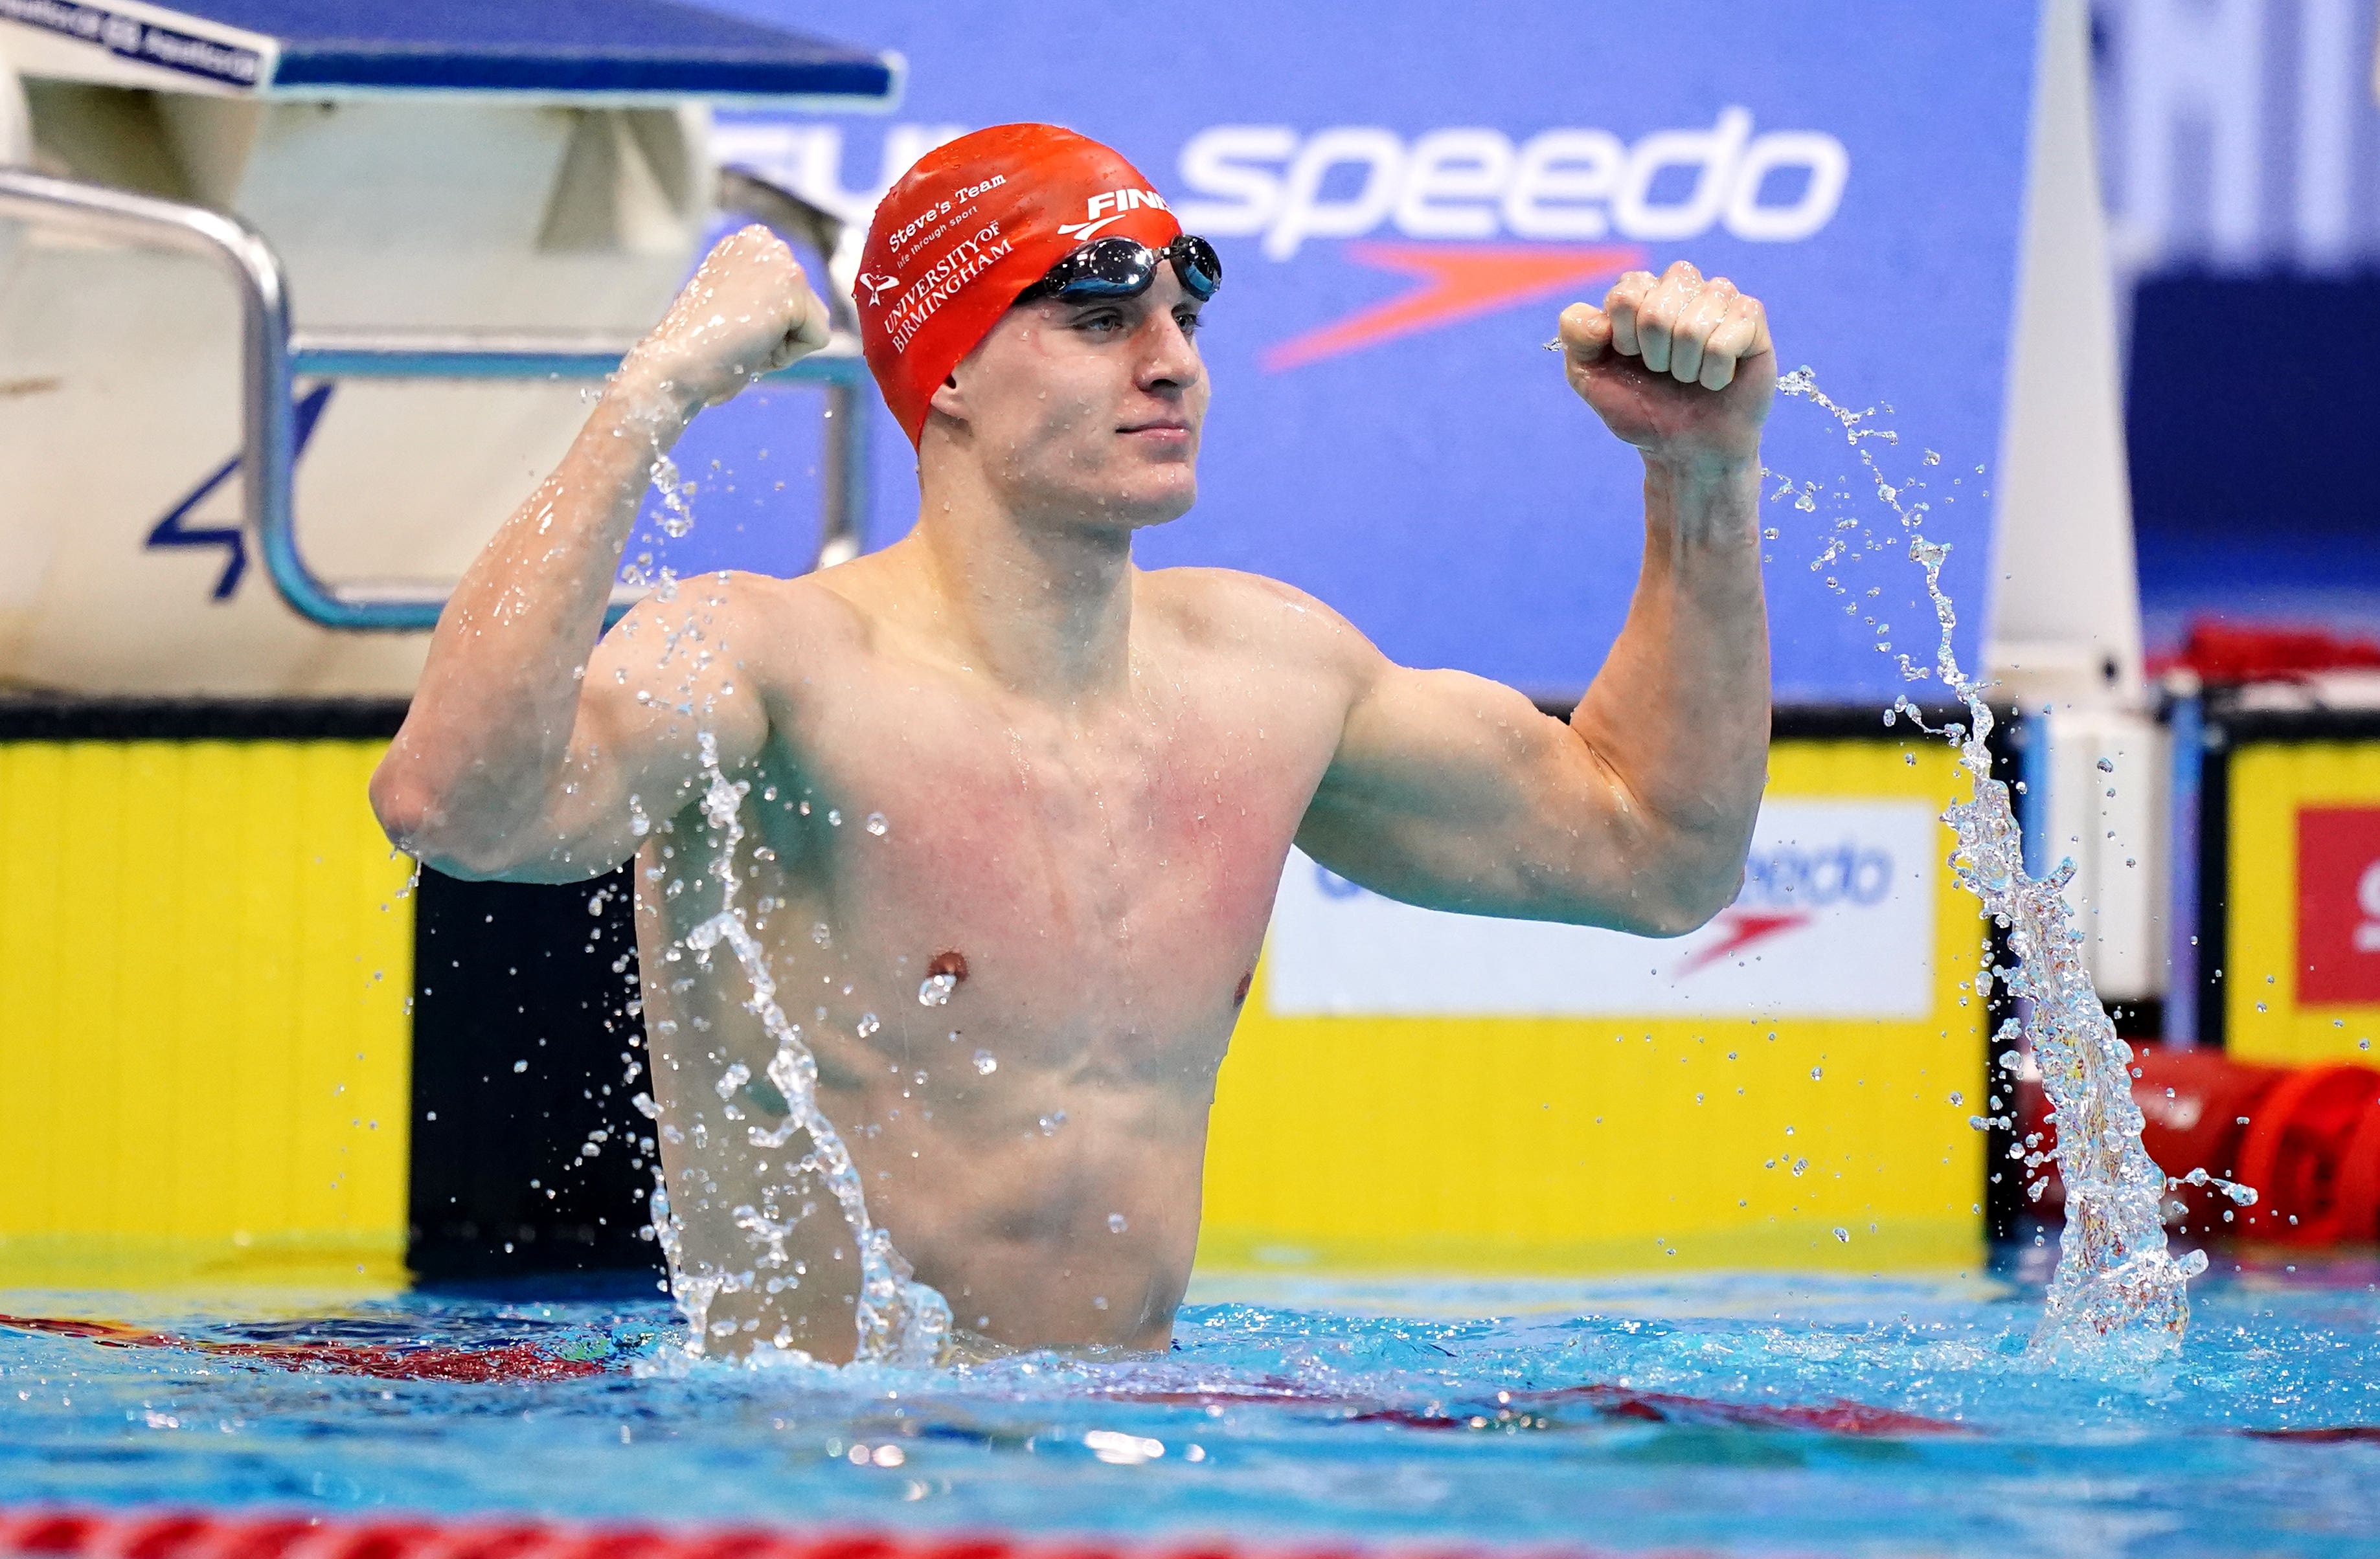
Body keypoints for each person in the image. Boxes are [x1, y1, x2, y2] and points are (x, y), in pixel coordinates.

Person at [370, 124, 1773, 1362]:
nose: (1170, 363)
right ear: (951, 370)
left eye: (1183, 315)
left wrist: (1698, 475)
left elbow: (1653, 854)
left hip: (1128, 1463)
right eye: (1097, 318)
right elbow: (457, 806)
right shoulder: (774, 664)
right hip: (807, 1474)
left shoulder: (1268, 675)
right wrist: (649, 397)